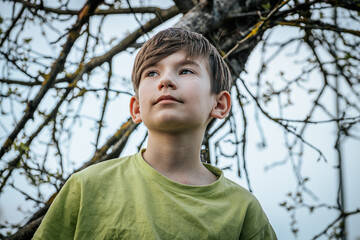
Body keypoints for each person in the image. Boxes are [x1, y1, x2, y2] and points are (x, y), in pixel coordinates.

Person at [33, 28, 277, 240]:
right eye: (152, 73)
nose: (166, 81)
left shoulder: (243, 210)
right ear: (137, 108)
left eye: (186, 71)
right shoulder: (87, 186)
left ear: (220, 104)